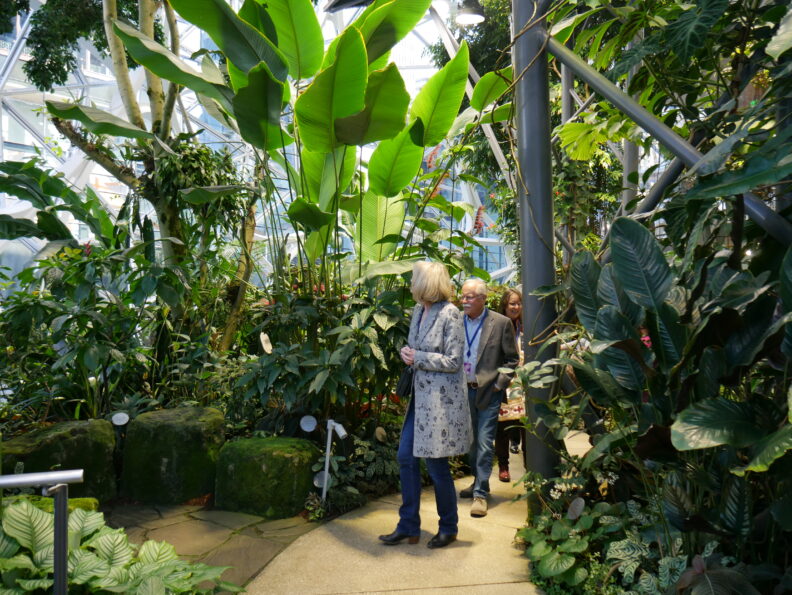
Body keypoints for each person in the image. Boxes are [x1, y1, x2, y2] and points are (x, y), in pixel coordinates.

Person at [379, 261, 472, 549]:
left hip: (440, 404)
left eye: (414, 279)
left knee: (436, 466)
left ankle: (449, 527)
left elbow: (454, 361)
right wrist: (407, 353)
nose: (411, 284)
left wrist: (417, 357)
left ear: (427, 283)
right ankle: (408, 525)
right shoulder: (419, 310)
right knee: (405, 458)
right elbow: (415, 348)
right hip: (419, 401)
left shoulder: (451, 314)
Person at [459, 279, 520, 517]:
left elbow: (512, 360)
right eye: (463, 296)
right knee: (471, 443)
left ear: (483, 298)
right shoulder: (456, 320)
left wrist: (498, 385)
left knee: (485, 443)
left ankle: (480, 494)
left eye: (470, 297)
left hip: (488, 392)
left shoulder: (500, 323)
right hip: (464, 389)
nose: (464, 301)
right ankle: (477, 481)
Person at [494, 288, 526, 482]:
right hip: (505, 381)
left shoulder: (527, 326)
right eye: (512, 303)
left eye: (519, 303)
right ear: (504, 306)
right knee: (502, 427)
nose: (516, 307)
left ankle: (530, 467)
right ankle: (503, 465)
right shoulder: (498, 325)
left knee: (526, 427)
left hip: (523, 383)